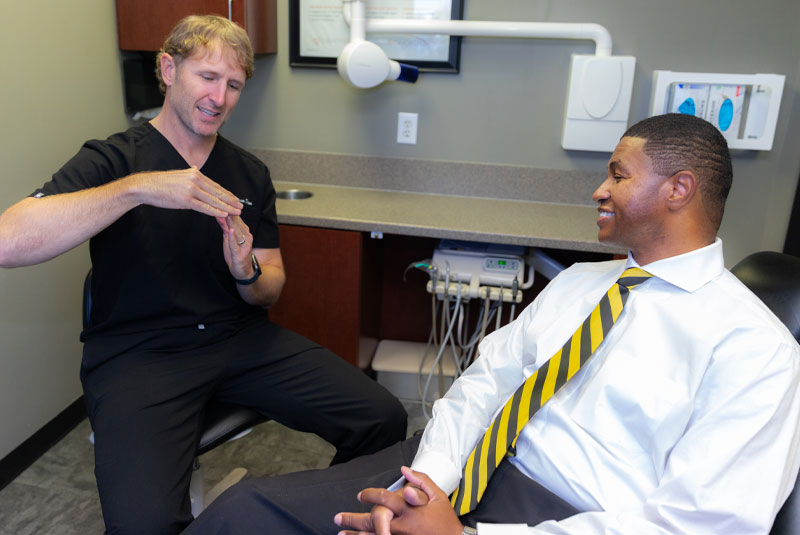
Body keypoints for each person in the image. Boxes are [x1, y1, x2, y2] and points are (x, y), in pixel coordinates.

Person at [183, 113, 800, 535]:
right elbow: (484, 382)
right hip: (458, 461)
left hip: (567, 513)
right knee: (244, 513)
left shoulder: (754, 350)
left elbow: (698, 525)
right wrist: (430, 485)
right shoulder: (583, 284)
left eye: (617, 173)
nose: (598, 191)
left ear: (678, 189)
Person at [0, 15, 407, 535]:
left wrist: (246, 271)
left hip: (238, 340)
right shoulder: (114, 160)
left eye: (234, 84)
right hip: (139, 353)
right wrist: (139, 189)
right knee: (142, 524)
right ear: (168, 69)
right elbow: (10, 241)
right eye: (207, 77)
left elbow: (270, 287)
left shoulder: (248, 173)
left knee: (383, 419)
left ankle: (313, 518)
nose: (221, 97)